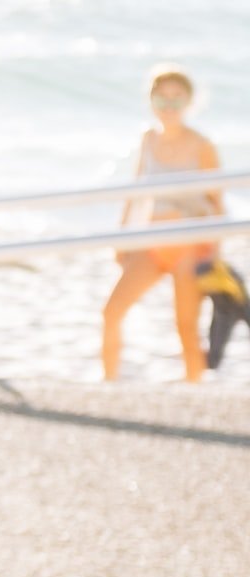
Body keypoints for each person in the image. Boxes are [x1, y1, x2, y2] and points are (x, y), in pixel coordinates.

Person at [103, 66, 224, 382]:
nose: (169, 108)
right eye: (162, 99)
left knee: (185, 326)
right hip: (153, 242)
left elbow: (217, 204)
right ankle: (109, 387)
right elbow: (135, 191)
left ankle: (195, 394)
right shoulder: (148, 139)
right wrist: (122, 239)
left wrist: (215, 253)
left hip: (189, 246)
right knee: (111, 312)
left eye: (176, 100)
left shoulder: (202, 145)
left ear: (189, 102)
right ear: (151, 101)